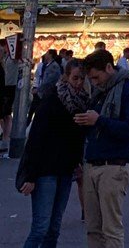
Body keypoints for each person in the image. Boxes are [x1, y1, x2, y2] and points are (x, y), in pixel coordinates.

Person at [17, 58, 88, 247]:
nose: (79, 83)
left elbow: (77, 139)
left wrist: (78, 162)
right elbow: (35, 140)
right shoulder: (52, 101)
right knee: (41, 227)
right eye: (75, 78)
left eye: (82, 78)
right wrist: (31, 176)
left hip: (65, 170)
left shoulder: (82, 102)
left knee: (54, 228)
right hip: (45, 171)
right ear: (66, 77)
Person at [77, 49, 129, 248]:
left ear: (109, 67)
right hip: (92, 163)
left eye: (96, 77)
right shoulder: (99, 93)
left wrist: (99, 121)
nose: (95, 82)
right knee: (93, 228)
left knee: (111, 229)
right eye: (91, 79)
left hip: (114, 166)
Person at [1, 42, 18, 151]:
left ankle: (6, 138)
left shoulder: (12, 58)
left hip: (9, 87)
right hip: (5, 87)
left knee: (6, 114)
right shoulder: (5, 60)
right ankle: (5, 137)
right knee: (4, 115)